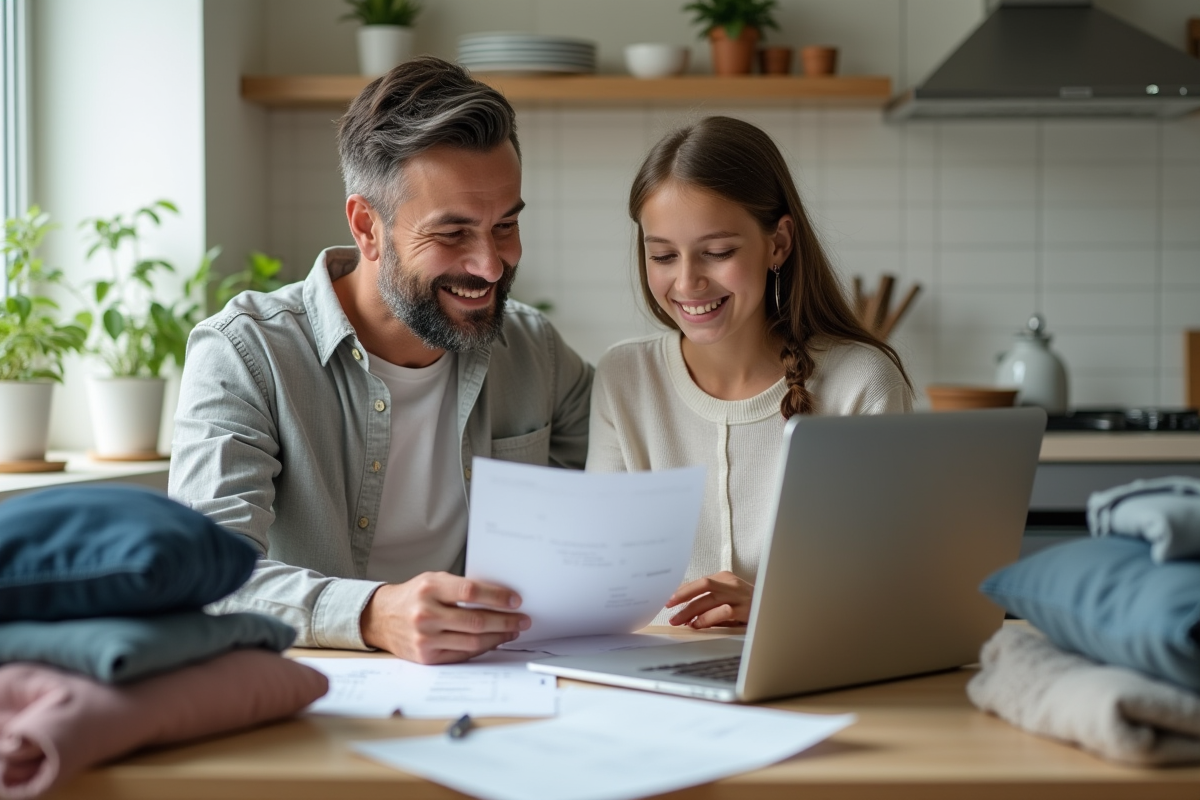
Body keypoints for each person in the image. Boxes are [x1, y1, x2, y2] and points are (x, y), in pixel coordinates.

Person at [169, 57, 593, 665]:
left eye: (505, 226)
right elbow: (205, 577)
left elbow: (634, 486)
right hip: (317, 696)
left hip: (500, 684)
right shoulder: (245, 353)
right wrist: (372, 614)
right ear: (368, 227)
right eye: (452, 234)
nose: (491, 265)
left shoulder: (533, 350)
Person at [587, 116, 913, 630]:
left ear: (779, 242)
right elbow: (602, 580)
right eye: (663, 255)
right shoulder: (624, 377)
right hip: (652, 683)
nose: (687, 281)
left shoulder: (862, 383)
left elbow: (894, 595)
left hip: (814, 679)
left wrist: (770, 607)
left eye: (718, 252)